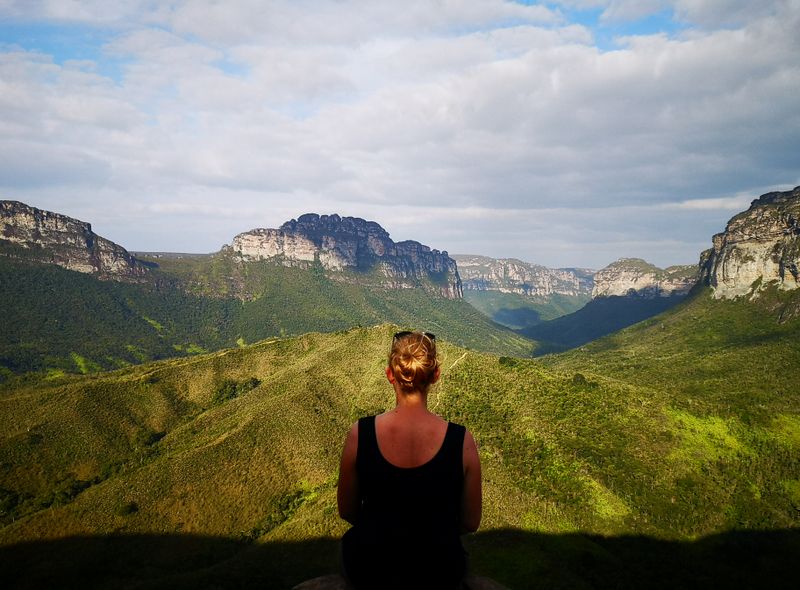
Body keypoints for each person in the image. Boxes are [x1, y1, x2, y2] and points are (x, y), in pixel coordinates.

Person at [337, 330, 482, 589]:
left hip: (371, 567)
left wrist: (384, 527)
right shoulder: (462, 441)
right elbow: (471, 522)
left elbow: (347, 510)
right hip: (439, 569)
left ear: (390, 374)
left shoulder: (361, 433)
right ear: (435, 375)